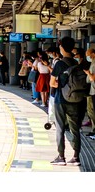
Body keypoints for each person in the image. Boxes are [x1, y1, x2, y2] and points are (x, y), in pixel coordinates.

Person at [50, 36, 84, 166]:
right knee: (75, 128)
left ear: (62, 48)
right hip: (76, 100)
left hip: (61, 99)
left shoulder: (59, 63)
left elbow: (52, 83)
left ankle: (61, 157)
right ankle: (76, 157)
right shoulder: (76, 63)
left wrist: (60, 84)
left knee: (60, 128)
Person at [84, 48, 95, 137]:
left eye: (88, 55)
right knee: (90, 110)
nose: (87, 57)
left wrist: (87, 73)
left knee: (92, 110)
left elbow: (92, 78)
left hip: (93, 90)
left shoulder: (94, 64)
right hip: (91, 89)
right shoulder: (92, 62)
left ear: (93, 54)